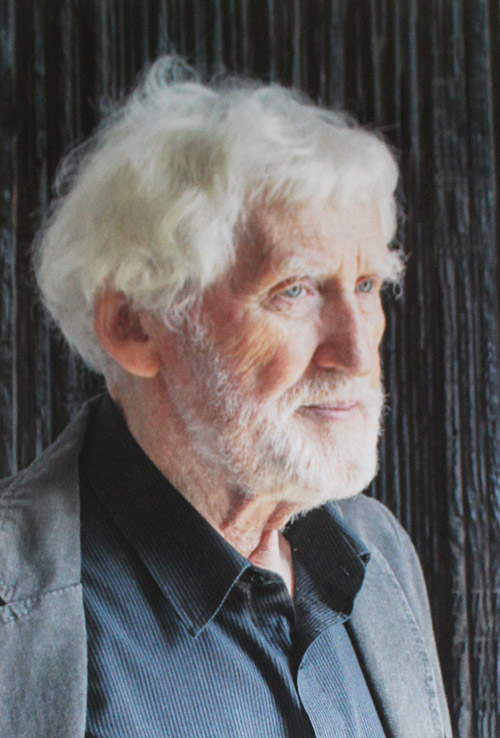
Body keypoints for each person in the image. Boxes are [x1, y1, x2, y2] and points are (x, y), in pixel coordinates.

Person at [0, 58, 451, 738]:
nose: (357, 353)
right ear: (134, 326)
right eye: (295, 290)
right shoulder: (17, 608)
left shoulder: (379, 550)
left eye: (366, 286)